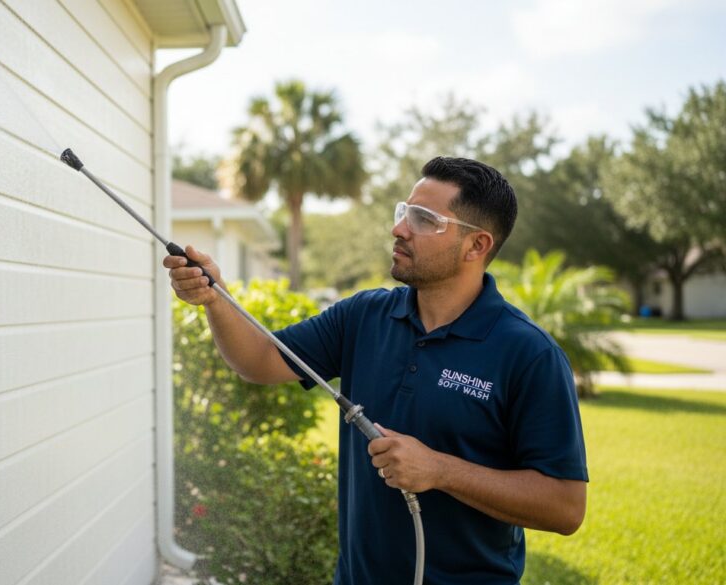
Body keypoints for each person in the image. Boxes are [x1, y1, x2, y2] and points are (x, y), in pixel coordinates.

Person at [163, 157, 588, 584]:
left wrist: (439, 470)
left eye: (424, 219)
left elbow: (565, 507)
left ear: (476, 246)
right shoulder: (363, 316)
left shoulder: (529, 354)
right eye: (404, 212)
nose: (399, 228)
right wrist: (215, 298)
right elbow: (258, 360)